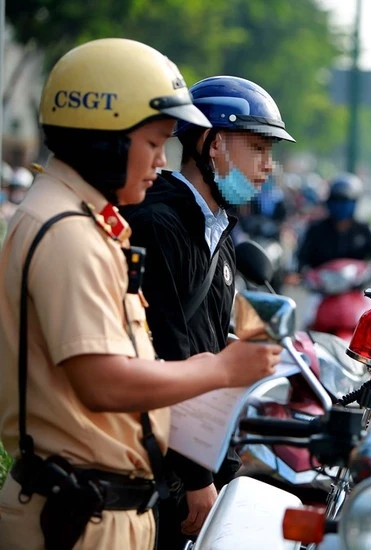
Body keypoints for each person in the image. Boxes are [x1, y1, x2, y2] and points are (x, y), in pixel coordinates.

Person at [0, 38, 283, 550]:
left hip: (103, 507)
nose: (160, 163)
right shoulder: (69, 231)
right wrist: (222, 370)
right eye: (153, 143)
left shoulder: (85, 222)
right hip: (78, 514)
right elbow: (104, 382)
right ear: (107, 138)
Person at [119, 75, 295, 547]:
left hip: (193, 464)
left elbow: (216, 345)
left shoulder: (218, 230)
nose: (267, 166)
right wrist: (197, 479)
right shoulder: (158, 224)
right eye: (257, 147)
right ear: (213, 144)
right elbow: (168, 354)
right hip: (157, 471)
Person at [292, 172, 371, 274]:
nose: (340, 206)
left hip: (357, 285)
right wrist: (295, 273)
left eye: (345, 201)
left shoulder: (365, 229)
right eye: (336, 200)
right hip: (321, 286)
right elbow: (300, 258)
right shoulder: (315, 230)